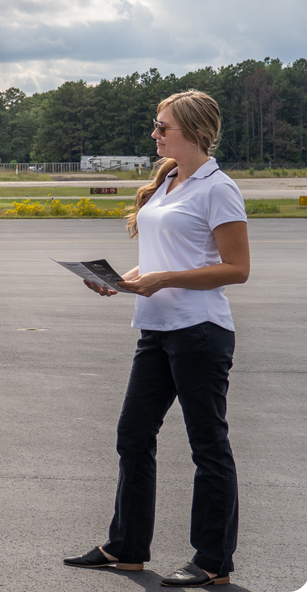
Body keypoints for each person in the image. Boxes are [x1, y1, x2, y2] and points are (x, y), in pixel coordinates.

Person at [63, 90, 249, 587]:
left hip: (200, 332)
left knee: (207, 445)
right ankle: (127, 547)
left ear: (192, 130)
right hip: (157, 328)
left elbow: (237, 269)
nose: (154, 133)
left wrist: (162, 280)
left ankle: (213, 562)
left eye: (162, 126)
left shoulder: (218, 188)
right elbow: (170, 253)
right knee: (133, 435)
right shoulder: (168, 179)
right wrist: (123, 279)